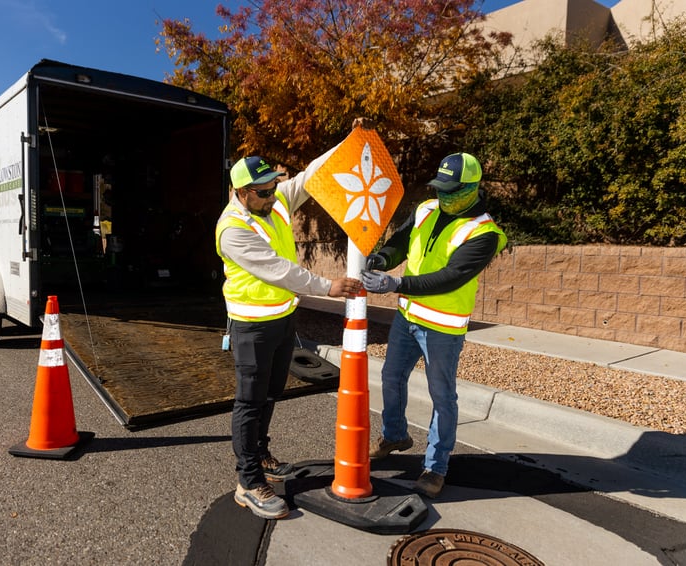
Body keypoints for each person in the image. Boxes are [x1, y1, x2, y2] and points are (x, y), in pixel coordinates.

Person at [216, 154, 363, 520]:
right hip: (251, 325)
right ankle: (248, 482)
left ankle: (261, 455)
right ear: (241, 192)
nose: (272, 197)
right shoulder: (233, 229)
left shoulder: (276, 199)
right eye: (263, 193)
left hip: (282, 319)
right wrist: (327, 286)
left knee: (271, 393)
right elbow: (278, 270)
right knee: (249, 401)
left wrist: (348, 142)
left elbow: (310, 176)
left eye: (273, 188)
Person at [360, 152, 506, 498]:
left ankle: (435, 466)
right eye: (440, 188)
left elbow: (450, 277)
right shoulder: (426, 209)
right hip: (408, 317)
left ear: (473, 188)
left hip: (442, 327)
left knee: (442, 395)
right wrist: (383, 257)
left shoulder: (484, 233)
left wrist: (397, 285)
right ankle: (395, 435)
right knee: (390, 377)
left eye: (452, 191)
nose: (444, 196)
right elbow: (402, 240)